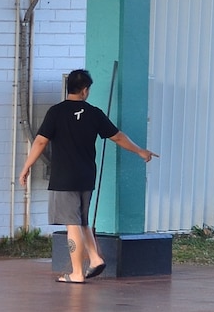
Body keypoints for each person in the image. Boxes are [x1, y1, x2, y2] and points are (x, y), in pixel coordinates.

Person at [17, 69, 157, 282]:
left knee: (71, 224)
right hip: (86, 176)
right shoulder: (94, 113)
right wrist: (140, 151)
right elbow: (118, 137)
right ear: (84, 90)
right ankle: (94, 259)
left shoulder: (56, 112)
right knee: (82, 221)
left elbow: (40, 141)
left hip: (64, 178)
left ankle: (77, 273)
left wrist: (27, 166)